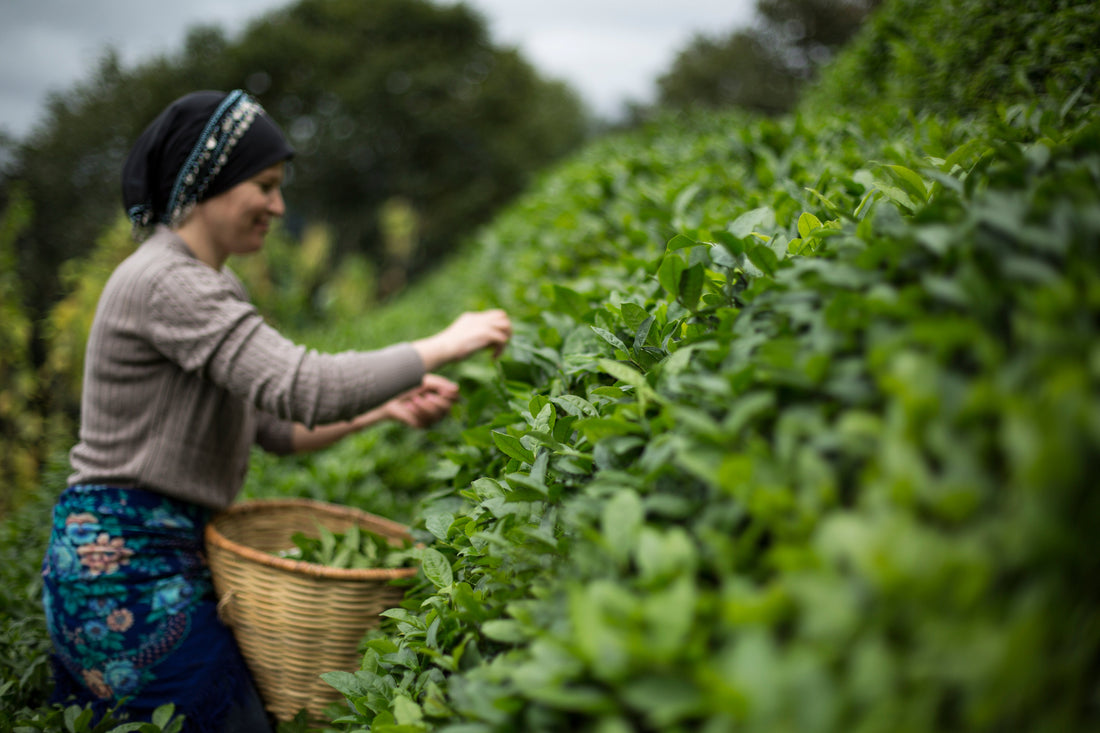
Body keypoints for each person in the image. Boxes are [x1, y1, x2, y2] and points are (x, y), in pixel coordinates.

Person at [39, 89, 512, 732]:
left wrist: (386, 408)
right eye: (264, 185)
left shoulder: (210, 283)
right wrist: (444, 344)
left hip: (172, 548)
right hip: (123, 563)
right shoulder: (167, 281)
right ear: (209, 181)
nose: (278, 206)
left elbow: (275, 428)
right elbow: (303, 386)